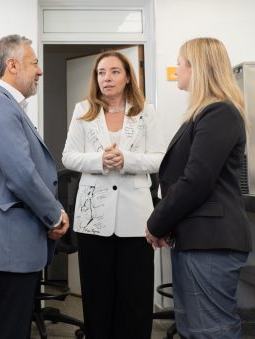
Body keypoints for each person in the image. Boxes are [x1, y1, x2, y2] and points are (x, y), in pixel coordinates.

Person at [145, 37, 252, 339]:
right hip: (197, 239)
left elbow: (196, 181)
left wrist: (156, 223)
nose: (176, 70)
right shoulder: (203, 114)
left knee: (210, 330)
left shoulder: (219, 113)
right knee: (194, 329)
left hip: (211, 242)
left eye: (179, 64)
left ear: (197, 68)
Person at [0, 34, 69, 339]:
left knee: (11, 328)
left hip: (16, 243)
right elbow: (22, 174)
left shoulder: (7, 106)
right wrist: (54, 215)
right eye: (34, 63)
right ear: (12, 65)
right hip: (9, 243)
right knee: (6, 331)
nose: (39, 70)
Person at [62, 50, 165, 339]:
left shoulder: (146, 112)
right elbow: (69, 157)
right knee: (97, 296)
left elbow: (159, 158)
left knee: (135, 297)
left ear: (128, 76)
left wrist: (127, 161)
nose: (106, 78)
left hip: (136, 218)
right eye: (101, 73)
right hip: (94, 217)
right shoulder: (84, 110)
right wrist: (99, 161)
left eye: (114, 71)